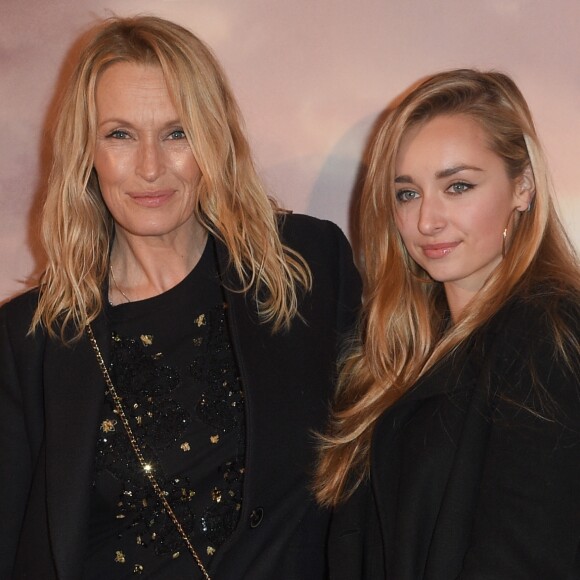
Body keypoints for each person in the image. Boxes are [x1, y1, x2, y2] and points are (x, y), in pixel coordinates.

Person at [0, 16, 360, 579]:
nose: (149, 167)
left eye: (177, 132)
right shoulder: (31, 340)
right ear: (85, 151)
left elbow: (381, 472)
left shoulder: (308, 265)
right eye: (120, 134)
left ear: (213, 139)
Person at [316, 69, 580, 579]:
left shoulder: (548, 336)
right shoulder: (401, 340)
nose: (427, 221)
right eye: (407, 193)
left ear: (522, 186)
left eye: (457, 186)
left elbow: (529, 557)